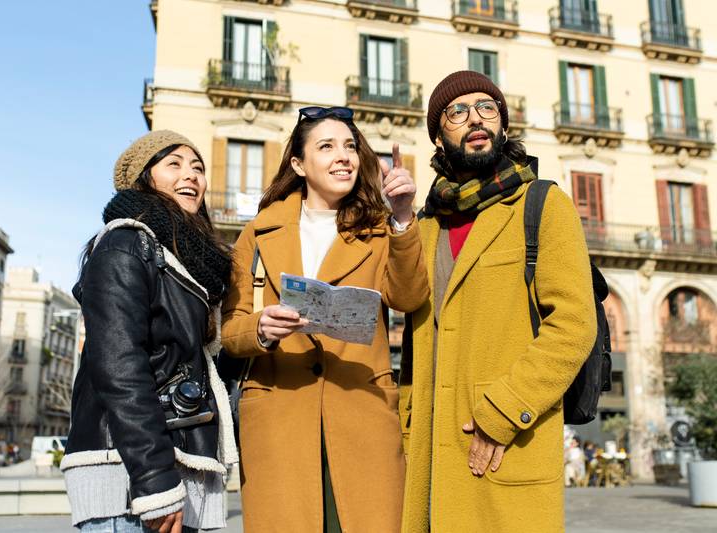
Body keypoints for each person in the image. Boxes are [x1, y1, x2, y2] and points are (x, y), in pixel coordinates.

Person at [399, 71, 597, 532]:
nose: (475, 120)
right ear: (437, 134)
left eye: (487, 108)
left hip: (506, 446)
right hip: (428, 462)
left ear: (503, 127)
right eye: (457, 111)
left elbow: (573, 323)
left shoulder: (543, 204)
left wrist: (505, 409)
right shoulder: (426, 226)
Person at [221, 106, 429, 532]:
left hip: (362, 416)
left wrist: (404, 217)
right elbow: (230, 330)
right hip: (279, 417)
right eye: (327, 146)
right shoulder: (259, 232)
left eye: (350, 146)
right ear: (298, 163)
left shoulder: (380, 229)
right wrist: (260, 329)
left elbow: (409, 298)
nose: (344, 156)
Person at [61, 130, 238, 533]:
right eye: (173, 164)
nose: (191, 175)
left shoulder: (186, 261)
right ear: (144, 178)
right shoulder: (125, 244)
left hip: (174, 465)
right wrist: (155, 479)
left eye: (198, 167)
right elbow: (119, 368)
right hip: (131, 477)